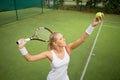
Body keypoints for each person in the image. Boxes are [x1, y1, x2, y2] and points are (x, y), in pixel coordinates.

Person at [18, 15, 104, 80]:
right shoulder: (49, 54)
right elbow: (30, 58)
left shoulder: (68, 48)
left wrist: (92, 26)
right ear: (55, 43)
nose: (64, 39)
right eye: (61, 38)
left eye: (63, 37)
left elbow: (82, 39)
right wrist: (22, 48)